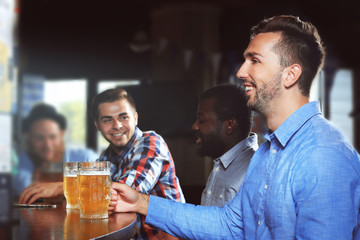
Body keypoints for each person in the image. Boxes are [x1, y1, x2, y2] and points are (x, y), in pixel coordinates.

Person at [108, 15, 360, 239]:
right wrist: (140, 202)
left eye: (255, 60)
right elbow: (230, 224)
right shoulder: (267, 152)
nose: (241, 71)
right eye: (244, 60)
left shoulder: (324, 155)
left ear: (290, 75)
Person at [92, 87, 185, 240]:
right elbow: (94, 196)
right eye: (107, 119)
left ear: (135, 118)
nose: (117, 125)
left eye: (123, 117)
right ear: (97, 125)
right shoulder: (106, 156)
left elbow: (125, 193)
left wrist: (60, 187)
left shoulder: (151, 142)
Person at [15, 103, 98, 203]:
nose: (47, 145)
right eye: (39, 138)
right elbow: (23, 190)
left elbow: (101, 189)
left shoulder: (85, 157)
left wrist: (61, 188)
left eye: (52, 137)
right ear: (28, 137)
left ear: (62, 134)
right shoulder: (27, 158)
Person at [193, 84, 258, 206]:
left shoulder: (251, 172)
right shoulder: (222, 162)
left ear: (230, 125)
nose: (195, 126)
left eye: (202, 120)